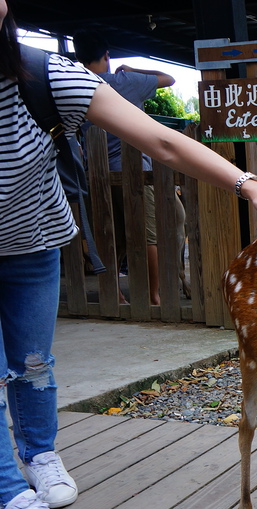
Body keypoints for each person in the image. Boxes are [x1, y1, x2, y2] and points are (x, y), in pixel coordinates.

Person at [0, 2, 257, 509]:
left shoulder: (45, 74)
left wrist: (250, 185)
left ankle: (39, 454)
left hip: (32, 242)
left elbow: (162, 140)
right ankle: (11, 496)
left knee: (33, 361)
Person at [74, 29, 183, 306]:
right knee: (148, 233)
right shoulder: (123, 80)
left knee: (108, 235)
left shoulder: (74, 85)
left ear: (78, 56)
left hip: (95, 174)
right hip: (133, 171)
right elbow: (168, 79)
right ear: (106, 56)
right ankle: (153, 295)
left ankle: (116, 295)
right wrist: (132, 67)